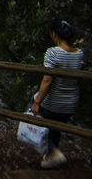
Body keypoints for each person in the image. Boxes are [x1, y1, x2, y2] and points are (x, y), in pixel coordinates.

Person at [32, 18, 84, 169]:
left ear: (54, 34)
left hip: (53, 102)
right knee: (55, 128)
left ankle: (53, 152)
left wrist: (37, 102)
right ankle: (50, 158)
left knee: (33, 119)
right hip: (70, 103)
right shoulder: (79, 54)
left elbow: (48, 80)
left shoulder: (53, 52)